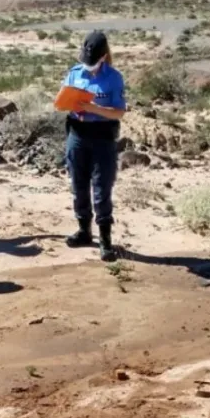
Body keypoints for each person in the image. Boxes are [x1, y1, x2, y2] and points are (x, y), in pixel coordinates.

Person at [60, 30, 127, 262]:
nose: (88, 65)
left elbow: (119, 111)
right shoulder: (75, 73)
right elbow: (62, 99)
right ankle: (84, 231)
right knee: (78, 184)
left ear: (102, 56)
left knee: (101, 188)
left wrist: (92, 108)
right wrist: (68, 102)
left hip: (102, 137)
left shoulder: (113, 78)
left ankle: (105, 239)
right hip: (77, 133)